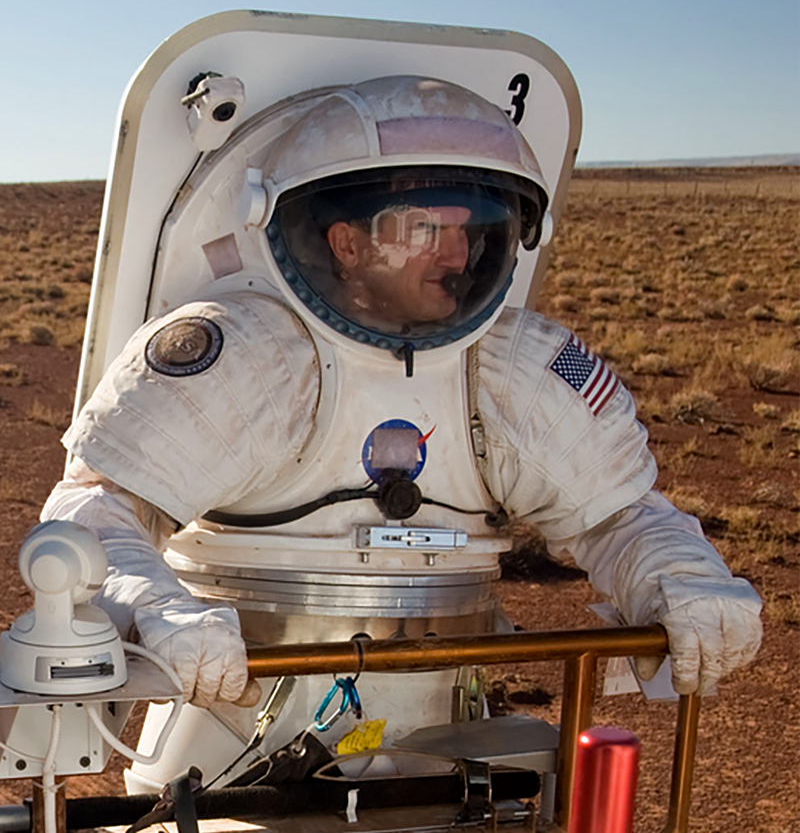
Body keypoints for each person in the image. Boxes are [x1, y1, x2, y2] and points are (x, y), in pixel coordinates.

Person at [41, 74, 762, 789]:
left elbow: (621, 517)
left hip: (448, 727)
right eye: (425, 230)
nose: (457, 255)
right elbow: (94, 508)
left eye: (470, 229)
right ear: (347, 241)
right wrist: (159, 607)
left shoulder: (517, 365)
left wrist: (680, 579)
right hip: (235, 720)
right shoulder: (243, 354)